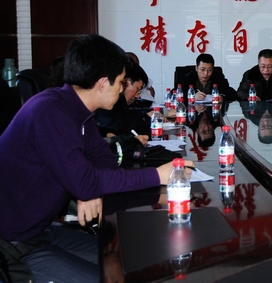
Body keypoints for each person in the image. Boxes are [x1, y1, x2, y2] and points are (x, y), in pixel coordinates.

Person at [0, 34, 194, 283]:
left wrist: (90, 190)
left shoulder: (80, 114)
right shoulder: (50, 112)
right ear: (103, 83)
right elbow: (87, 181)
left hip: (40, 230)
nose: (123, 89)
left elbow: (105, 165)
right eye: (121, 82)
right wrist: (157, 175)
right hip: (12, 244)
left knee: (127, 259)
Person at [94, 61, 151, 140]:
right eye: (138, 89)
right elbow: (115, 126)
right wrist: (145, 117)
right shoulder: (105, 102)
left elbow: (128, 114)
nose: (121, 88)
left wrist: (148, 114)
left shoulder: (119, 102)